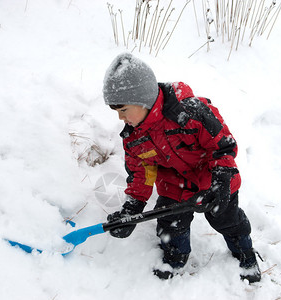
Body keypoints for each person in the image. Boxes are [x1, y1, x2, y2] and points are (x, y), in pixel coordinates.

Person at [102, 53, 261, 282]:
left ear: (142, 100)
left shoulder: (190, 112)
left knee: (226, 219)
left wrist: (221, 182)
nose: (120, 118)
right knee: (170, 225)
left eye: (123, 110)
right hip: (174, 185)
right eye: (116, 112)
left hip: (214, 179)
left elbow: (222, 145)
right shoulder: (134, 138)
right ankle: (175, 257)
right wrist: (132, 209)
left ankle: (244, 252)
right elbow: (142, 174)